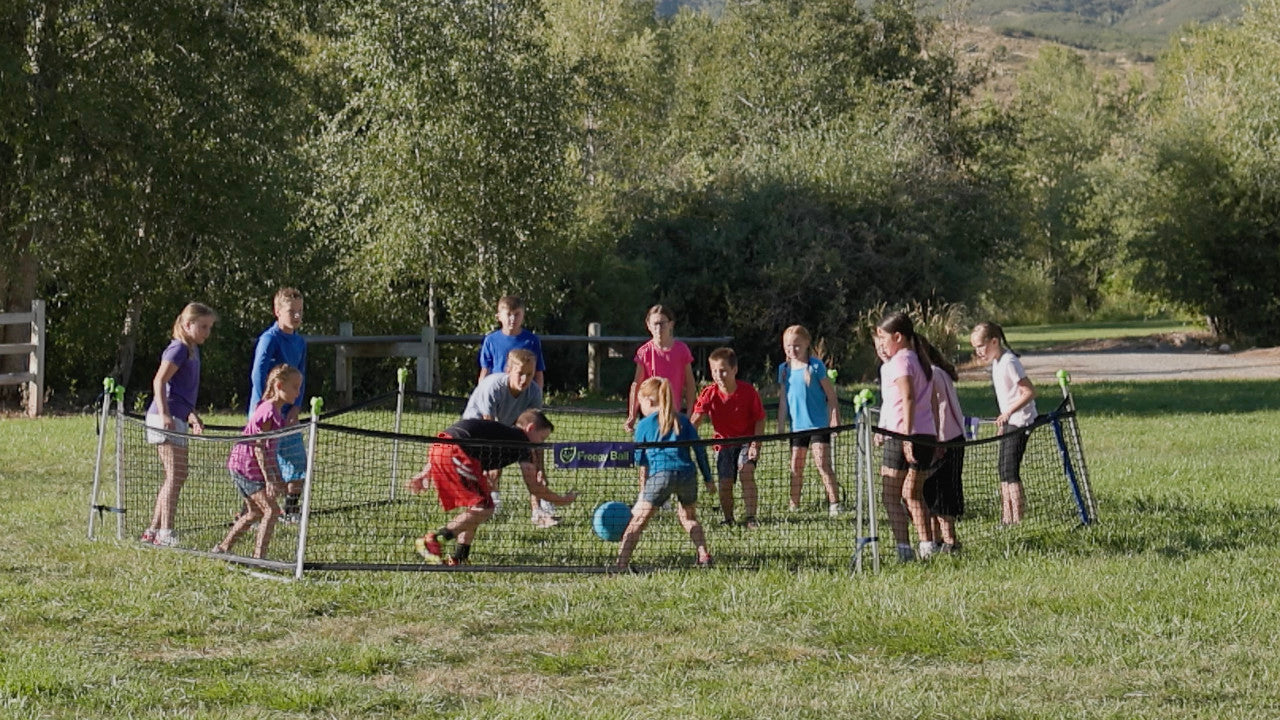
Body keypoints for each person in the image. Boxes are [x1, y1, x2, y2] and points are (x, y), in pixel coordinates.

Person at [409, 410, 576, 566]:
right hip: (457, 451)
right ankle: (434, 540)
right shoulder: (523, 443)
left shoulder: (504, 434)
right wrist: (562, 501)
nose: (541, 444)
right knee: (486, 508)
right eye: (542, 438)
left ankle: (460, 557)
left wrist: (427, 471)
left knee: (478, 505)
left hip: (442, 446)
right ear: (530, 428)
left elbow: (454, 438)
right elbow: (534, 488)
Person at [616, 377, 714, 570]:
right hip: (687, 473)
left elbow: (640, 460)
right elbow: (700, 451)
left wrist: (644, 489)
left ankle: (620, 564)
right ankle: (703, 554)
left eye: (639, 402)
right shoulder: (684, 421)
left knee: (638, 522)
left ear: (649, 401)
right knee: (688, 517)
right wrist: (708, 479)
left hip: (661, 475)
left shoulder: (643, 426)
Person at [140, 302, 217, 547]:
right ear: (187, 324)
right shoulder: (178, 349)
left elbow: (182, 392)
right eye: (203, 326)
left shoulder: (193, 350)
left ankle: (152, 531)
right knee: (176, 475)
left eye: (209, 327)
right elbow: (159, 381)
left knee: (176, 476)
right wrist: (164, 415)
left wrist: (192, 416)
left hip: (178, 417)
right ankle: (165, 532)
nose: (207, 332)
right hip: (165, 419)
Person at [213, 364, 302, 559]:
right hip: (245, 467)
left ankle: (222, 548)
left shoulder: (276, 413)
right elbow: (259, 447)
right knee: (271, 510)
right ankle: (258, 557)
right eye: (295, 386)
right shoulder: (268, 410)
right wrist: (269, 479)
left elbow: (270, 451)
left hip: (246, 467)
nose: (298, 392)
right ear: (279, 386)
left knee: (254, 512)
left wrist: (277, 476)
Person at [461, 349, 555, 528]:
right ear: (508, 370)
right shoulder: (493, 387)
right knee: (488, 471)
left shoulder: (533, 392)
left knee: (531, 464)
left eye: (530, 374)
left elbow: (533, 434)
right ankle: (490, 502)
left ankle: (539, 510)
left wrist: (539, 469)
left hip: (509, 427)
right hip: (476, 429)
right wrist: (495, 461)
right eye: (520, 374)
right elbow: (488, 429)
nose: (524, 379)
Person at [874, 312, 938, 561]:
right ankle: (927, 545)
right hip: (925, 435)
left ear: (898, 337)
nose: (880, 343)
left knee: (890, 495)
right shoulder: (915, 360)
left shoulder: (902, 362)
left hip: (905, 436)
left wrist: (907, 437)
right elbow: (892, 402)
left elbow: (907, 397)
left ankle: (904, 548)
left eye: (883, 338)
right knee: (913, 494)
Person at [248, 287, 307, 523]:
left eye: (300, 311)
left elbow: (301, 374)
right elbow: (258, 373)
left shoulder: (301, 343)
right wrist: (264, 405)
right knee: (262, 464)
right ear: (277, 311)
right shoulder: (269, 339)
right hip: (266, 412)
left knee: (297, 459)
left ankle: (291, 510)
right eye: (291, 311)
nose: (296, 316)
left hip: (289, 411)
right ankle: (252, 511)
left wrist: (296, 407)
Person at [970, 321, 1038, 525]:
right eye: (975, 348)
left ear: (994, 341)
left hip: (1021, 421)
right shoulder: (996, 363)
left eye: (981, 346)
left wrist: (1008, 412)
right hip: (1010, 420)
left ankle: (1016, 520)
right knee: (1003, 469)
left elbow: (1029, 392)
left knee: (1010, 470)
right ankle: (1006, 518)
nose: (978, 352)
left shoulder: (1009, 362)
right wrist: (1003, 419)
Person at [691, 348, 766, 528]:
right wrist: (681, 436)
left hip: (746, 441)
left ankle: (750, 518)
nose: (719, 375)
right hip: (723, 444)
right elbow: (696, 419)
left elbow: (760, 419)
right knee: (725, 483)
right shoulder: (708, 393)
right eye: (714, 370)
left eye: (723, 370)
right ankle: (728, 519)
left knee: (746, 472)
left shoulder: (748, 392)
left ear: (734, 370)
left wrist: (755, 444)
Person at [777, 325, 842, 516]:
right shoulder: (783, 370)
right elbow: (783, 399)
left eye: (797, 345)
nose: (792, 350)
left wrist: (834, 418)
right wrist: (781, 425)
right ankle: (794, 504)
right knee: (796, 465)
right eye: (788, 346)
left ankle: (835, 502)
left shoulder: (816, 366)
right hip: (797, 427)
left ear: (806, 343)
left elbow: (831, 396)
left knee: (822, 463)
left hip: (818, 425)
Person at [922, 339, 965, 553]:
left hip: (946, 440)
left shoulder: (933, 373)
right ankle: (937, 540)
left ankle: (951, 542)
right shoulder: (932, 372)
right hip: (942, 439)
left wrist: (938, 440)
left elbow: (941, 408)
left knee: (942, 494)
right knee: (929, 492)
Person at [624, 305, 696, 432]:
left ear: (671, 324)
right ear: (648, 325)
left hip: (673, 413)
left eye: (662, 323)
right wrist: (632, 415)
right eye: (655, 324)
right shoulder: (644, 352)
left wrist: (691, 412)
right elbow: (637, 384)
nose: (658, 328)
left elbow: (690, 384)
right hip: (649, 413)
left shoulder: (682, 350)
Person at [478, 295, 546, 389]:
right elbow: (485, 369)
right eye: (508, 314)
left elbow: (538, 371)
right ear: (499, 316)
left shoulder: (531, 340)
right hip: (498, 390)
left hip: (523, 390)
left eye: (517, 314)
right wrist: (482, 392)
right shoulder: (491, 340)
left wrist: (537, 396)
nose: (513, 319)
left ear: (523, 316)